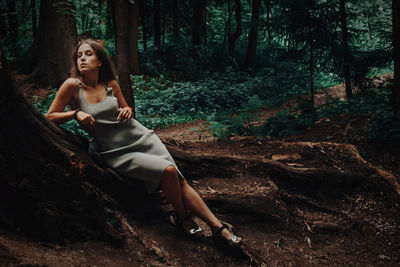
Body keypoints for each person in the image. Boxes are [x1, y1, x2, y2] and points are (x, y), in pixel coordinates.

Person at [45, 38, 242, 249]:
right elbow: (49, 116)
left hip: (140, 137)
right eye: (79, 55)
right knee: (167, 171)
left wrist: (127, 110)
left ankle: (217, 228)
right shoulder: (72, 86)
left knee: (178, 177)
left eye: (88, 54)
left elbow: (125, 108)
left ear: (100, 61)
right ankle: (184, 218)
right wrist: (76, 113)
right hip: (116, 152)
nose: (82, 58)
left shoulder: (111, 84)